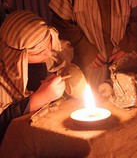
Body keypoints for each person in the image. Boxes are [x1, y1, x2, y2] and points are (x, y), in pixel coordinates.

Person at [0, 10, 86, 144]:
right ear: (18, 58)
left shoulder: (40, 60)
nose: (48, 53)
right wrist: (39, 98)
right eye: (40, 52)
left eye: (49, 44)